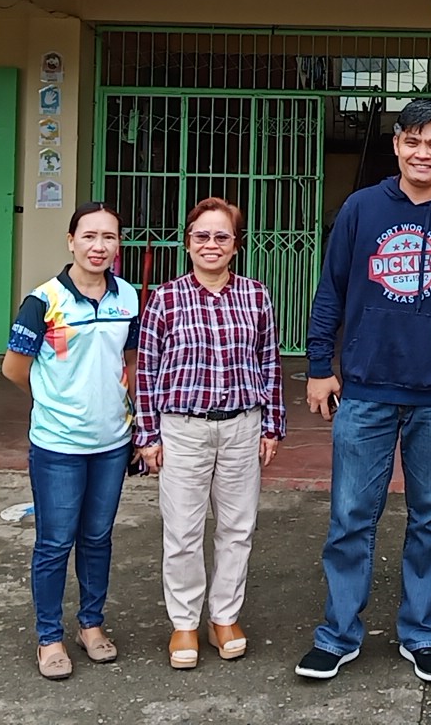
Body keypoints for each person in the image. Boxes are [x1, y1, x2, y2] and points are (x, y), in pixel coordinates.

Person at [295, 98, 431, 685]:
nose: (422, 153)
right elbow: (331, 289)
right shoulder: (362, 208)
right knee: (350, 514)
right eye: (412, 141)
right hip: (365, 389)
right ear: (396, 146)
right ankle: (337, 635)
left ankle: (422, 632)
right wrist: (319, 365)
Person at [133, 197, 285, 671]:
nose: (211, 244)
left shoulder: (256, 296)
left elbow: (269, 362)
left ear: (236, 245)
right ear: (188, 242)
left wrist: (273, 424)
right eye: (202, 235)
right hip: (183, 430)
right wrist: (148, 435)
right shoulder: (165, 298)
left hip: (242, 425)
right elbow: (146, 370)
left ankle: (224, 617)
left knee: (237, 529)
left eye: (222, 236)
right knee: (182, 530)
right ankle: (184, 622)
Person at [2, 202, 140, 681]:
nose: (99, 246)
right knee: (55, 542)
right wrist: (54, 402)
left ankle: (91, 625)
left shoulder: (128, 297)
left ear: (118, 244)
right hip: (58, 445)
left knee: (97, 538)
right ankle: (49, 637)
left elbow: (129, 360)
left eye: (109, 236)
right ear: (71, 241)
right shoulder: (43, 301)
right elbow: (14, 368)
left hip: (112, 443)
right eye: (89, 236)